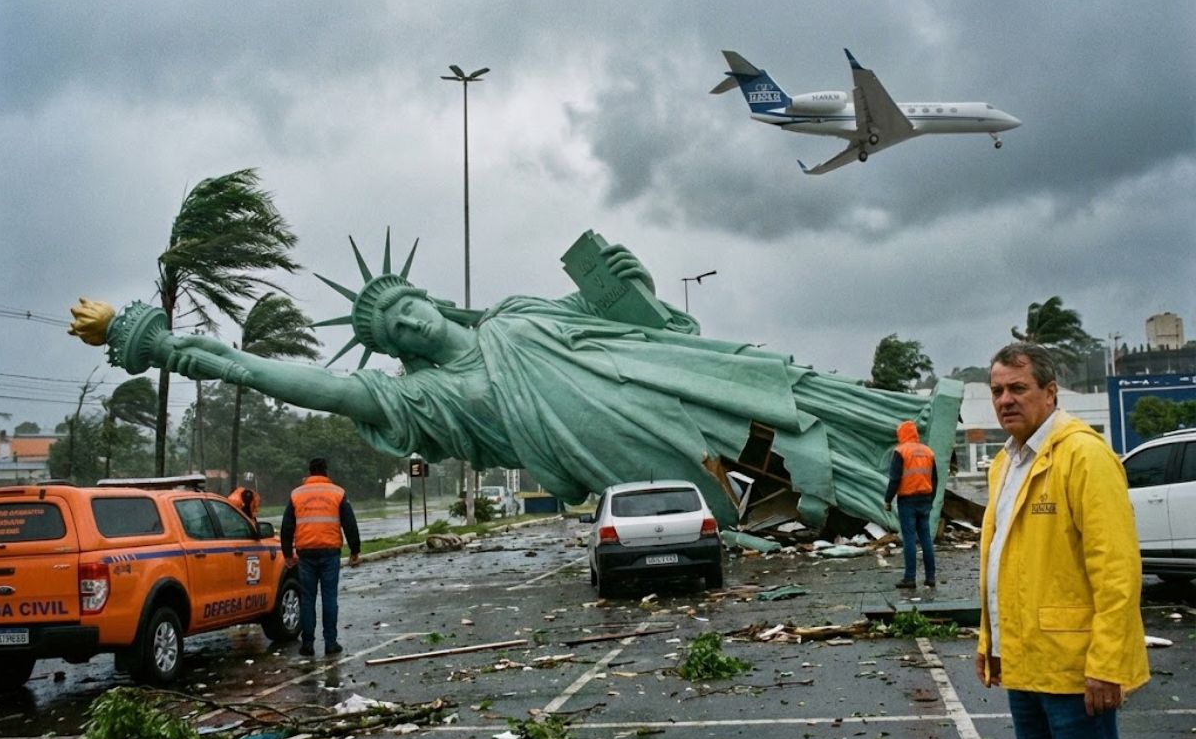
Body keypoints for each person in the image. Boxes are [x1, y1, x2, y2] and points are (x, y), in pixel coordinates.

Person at [79, 237, 961, 534]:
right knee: (756, 476)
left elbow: (627, 319)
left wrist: (632, 276)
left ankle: (908, 435)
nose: (411, 323)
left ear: (431, 300)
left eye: (411, 307)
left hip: (660, 378)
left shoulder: (516, 311)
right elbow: (305, 383)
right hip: (616, 446)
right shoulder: (418, 402)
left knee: (779, 391)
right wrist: (172, 349)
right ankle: (870, 502)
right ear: (397, 354)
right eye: (393, 332)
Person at [975, 343, 1148, 739]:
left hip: (1075, 672)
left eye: (1018, 387)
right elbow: (1003, 560)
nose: (1005, 400)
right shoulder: (1006, 463)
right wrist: (990, 641)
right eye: (997, 391)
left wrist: (1107, 663)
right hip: (1024, 664)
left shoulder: (1084, 457)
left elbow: (1116, 570)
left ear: (1051, 393)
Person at [281, 457, 361, 657]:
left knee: (307, 599)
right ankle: (330, 643)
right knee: (329, 598)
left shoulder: (296, 494)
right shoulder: (338, 493)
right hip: (329, 553)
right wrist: (354, 550)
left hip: (305, 553)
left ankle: (307, 644)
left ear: (309, 472)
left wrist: (287, 554)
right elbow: (349, 524)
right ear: (326, 472)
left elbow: (287, 526)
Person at [883, 420, 938, 589]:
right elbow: (935, 479)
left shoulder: (901, 451)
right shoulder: (928, 452)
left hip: (907, 500)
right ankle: (930, 577)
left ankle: (910, 578)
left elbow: (895, 479)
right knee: (926, 539)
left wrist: (887, 500)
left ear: (902, 434)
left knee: (909, 540)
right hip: (925, 499)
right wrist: (931, 498)